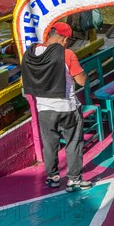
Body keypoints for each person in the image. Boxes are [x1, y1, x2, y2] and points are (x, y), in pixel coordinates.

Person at [21, 21, 93, 193]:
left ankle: (52, 177)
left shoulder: (30, 53)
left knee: (50, 144)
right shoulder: (67, 54)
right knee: (73, 143)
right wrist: (84, 73)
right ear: (64, 39)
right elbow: (81, 80)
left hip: (44, 109)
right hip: (67, 107)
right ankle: (74, 180)